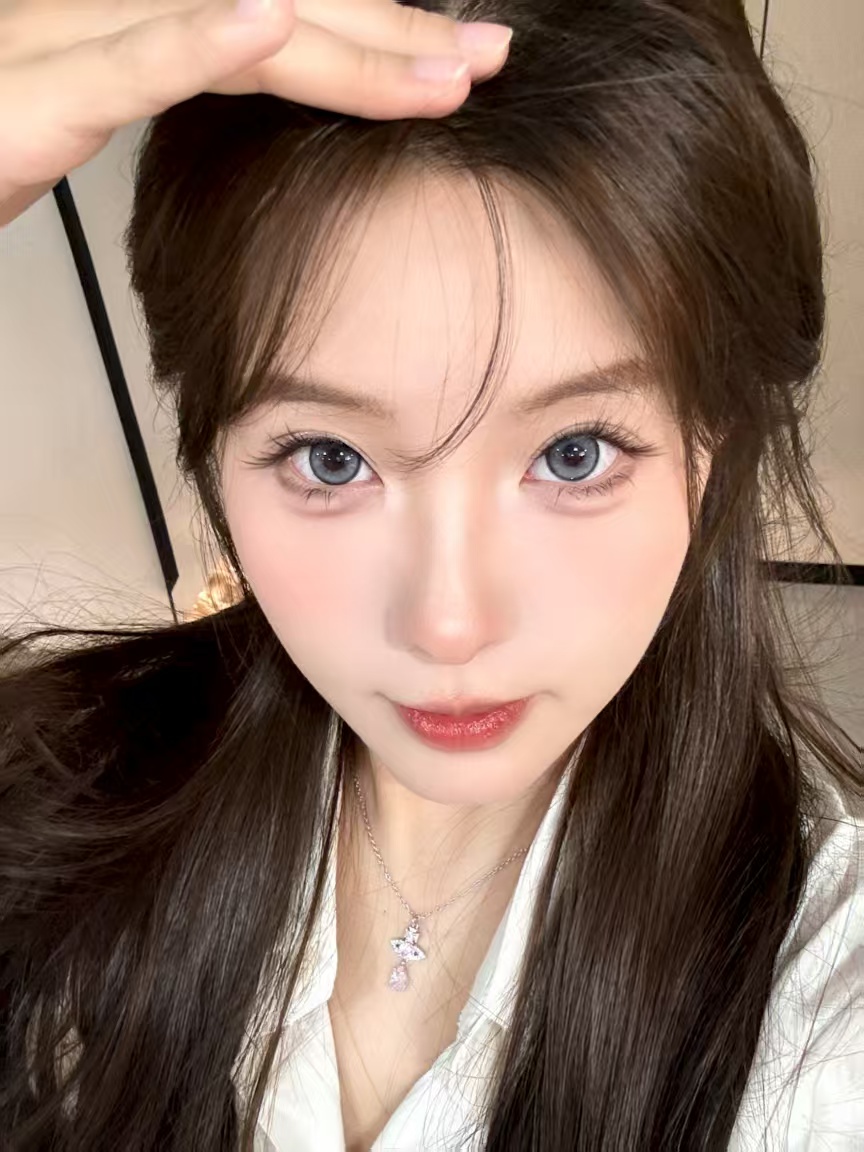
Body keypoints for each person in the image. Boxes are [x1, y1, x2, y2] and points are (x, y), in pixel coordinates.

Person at [0, 0, 861, 1149]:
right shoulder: (56, 796)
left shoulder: (822, 1011)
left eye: (575, 453)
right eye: (330, 459)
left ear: (715, 440)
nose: (449, 625)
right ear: (213, 451)